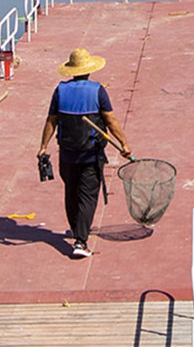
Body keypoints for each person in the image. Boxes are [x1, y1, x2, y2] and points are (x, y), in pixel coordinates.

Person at [38, 47, 131, 258]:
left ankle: (77, 229)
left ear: (71, 70)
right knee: (88, 196)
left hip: (67, 154)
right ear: (89, 70)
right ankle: (81, 241)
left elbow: (51, 121)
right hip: (91, 155)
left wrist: (43, 147)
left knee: (71, 192)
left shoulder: (60, 91)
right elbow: (110, 120)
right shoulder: (98, 91)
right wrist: (124, 144)